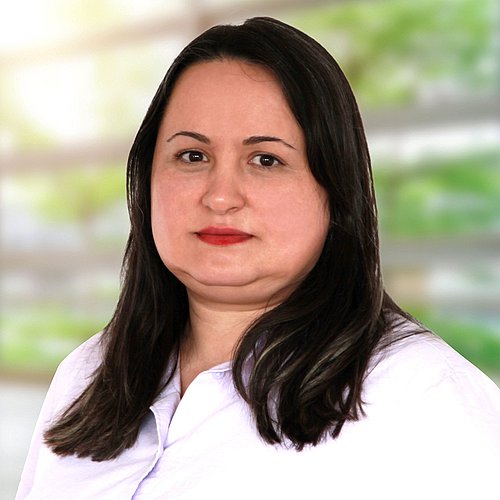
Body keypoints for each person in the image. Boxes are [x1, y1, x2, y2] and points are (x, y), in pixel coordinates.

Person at [17, 16, 500, 500]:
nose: (220, 196)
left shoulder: (424, 396)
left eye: (266, 160)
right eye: (192, 156)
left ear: (335, 189)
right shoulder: (87, 375)